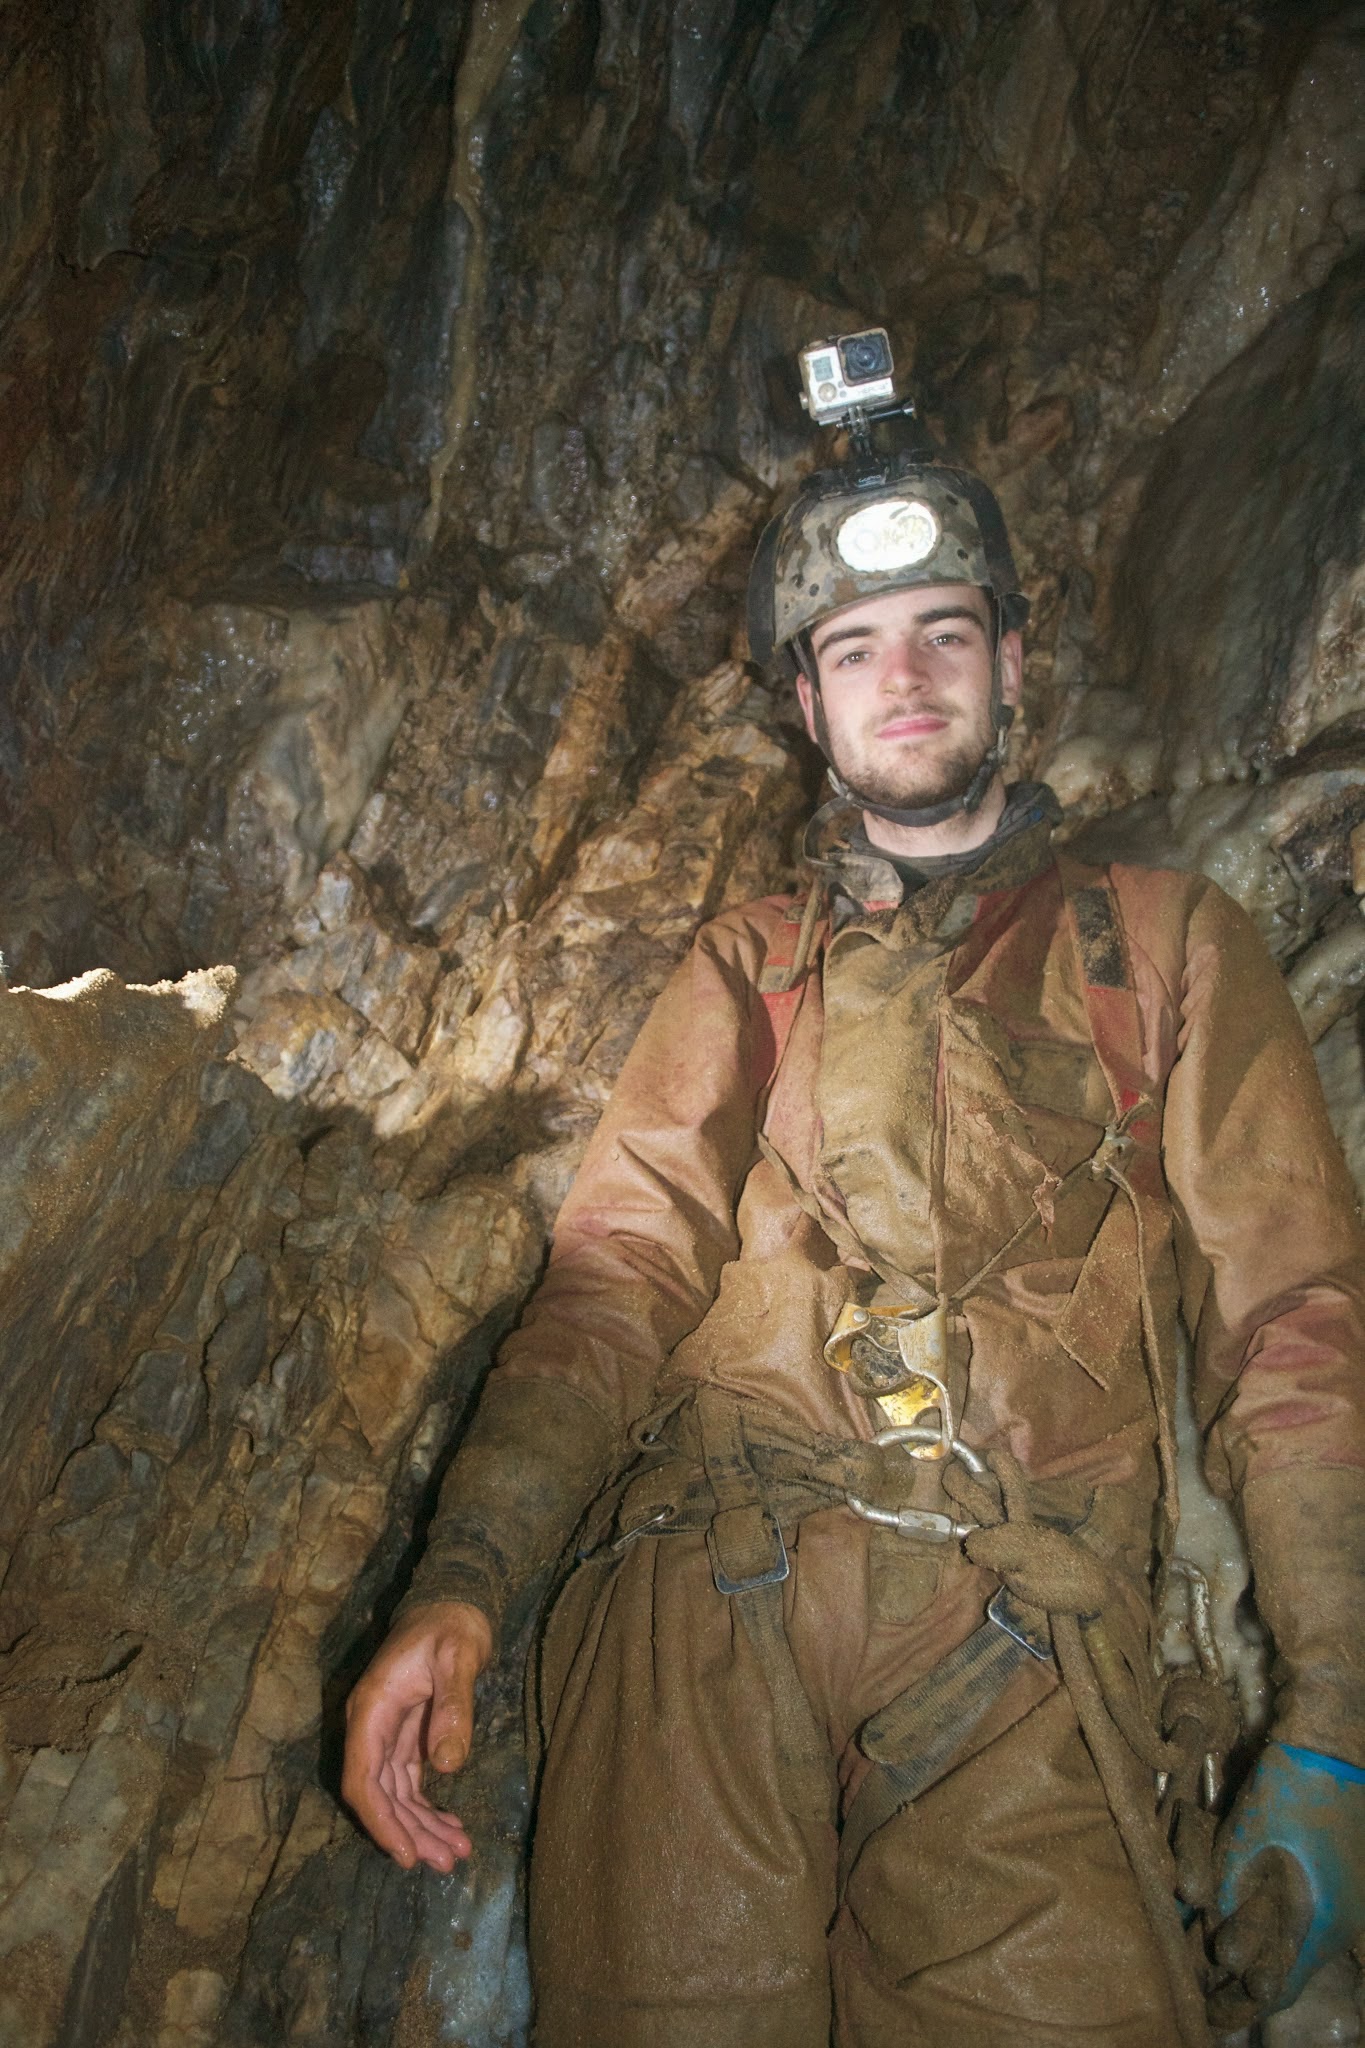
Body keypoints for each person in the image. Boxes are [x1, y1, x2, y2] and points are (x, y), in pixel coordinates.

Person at [343, 443, 1365, 2048]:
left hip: (1025, 1638)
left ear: (1008, 663)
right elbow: (615, 1280)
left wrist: (1336, 1715)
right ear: (807, 707)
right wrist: (460, 1584)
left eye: (944, 633)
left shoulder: (1163, 946)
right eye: (854, 648)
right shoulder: (746, 963)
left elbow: (1291, 1320)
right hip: (702, 1608)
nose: (904, 677)